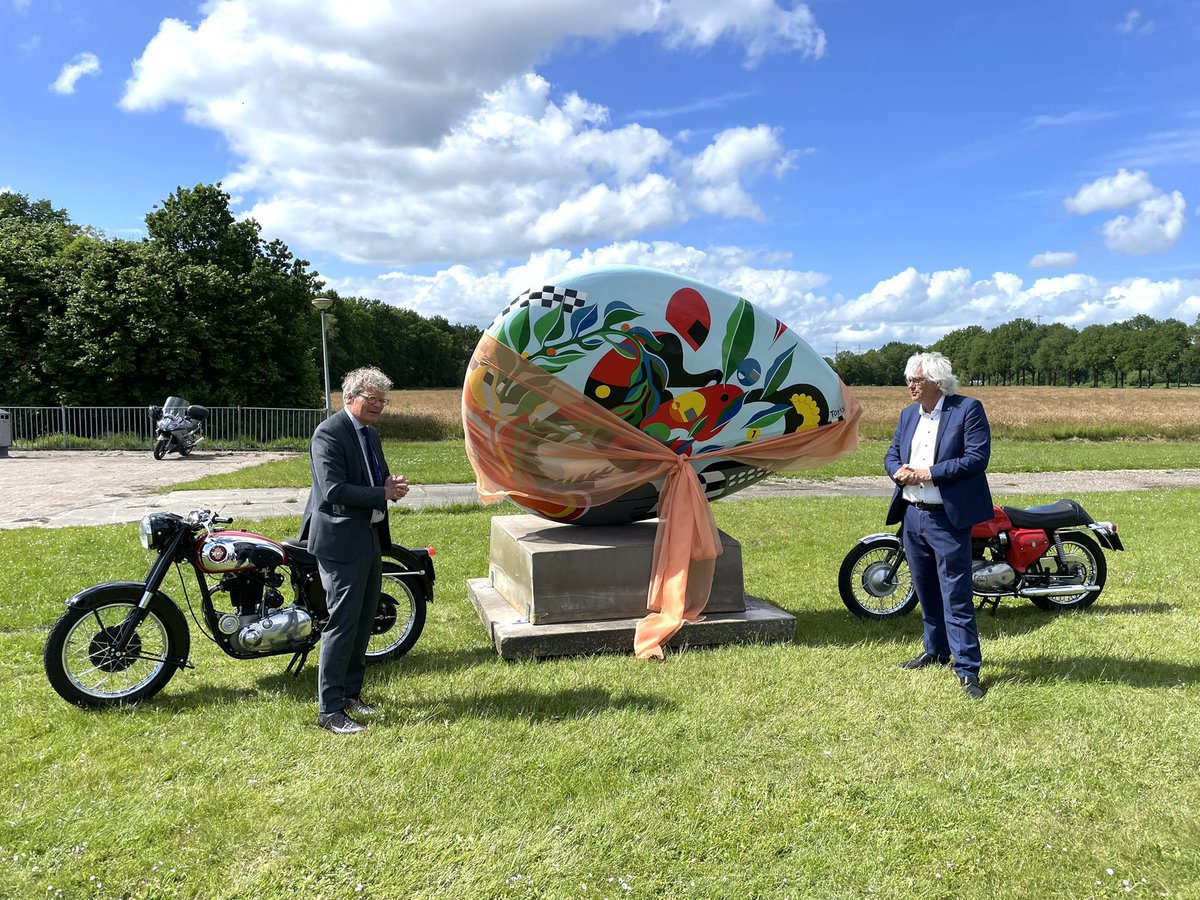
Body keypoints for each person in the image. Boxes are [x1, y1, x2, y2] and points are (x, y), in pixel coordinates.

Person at [301, 366, 409, 734]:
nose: (379, 405)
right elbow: (334, 490)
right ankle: (329, 711)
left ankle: (350, 694)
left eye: (383, 400)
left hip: (368, 536)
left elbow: (376, 477)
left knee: (365, 619)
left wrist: (389, 483)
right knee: (343, 624)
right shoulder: (328, 434)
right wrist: (382, 493)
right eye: (372, 399)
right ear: (350, 398)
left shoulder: (369, 434)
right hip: (339, 541)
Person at [884, 352, 993, 699]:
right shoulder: (906, 415)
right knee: (925, 590)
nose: (910, 385)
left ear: (936, 381)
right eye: (908, 379)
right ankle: (935, 651)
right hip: (912, 515)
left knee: (955, 595)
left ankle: (967, 669)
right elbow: (891, 454)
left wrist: (927, 473)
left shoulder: (967, 410)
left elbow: (976, 459)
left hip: (946, 518)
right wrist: (897, 470)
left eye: (915, 380)